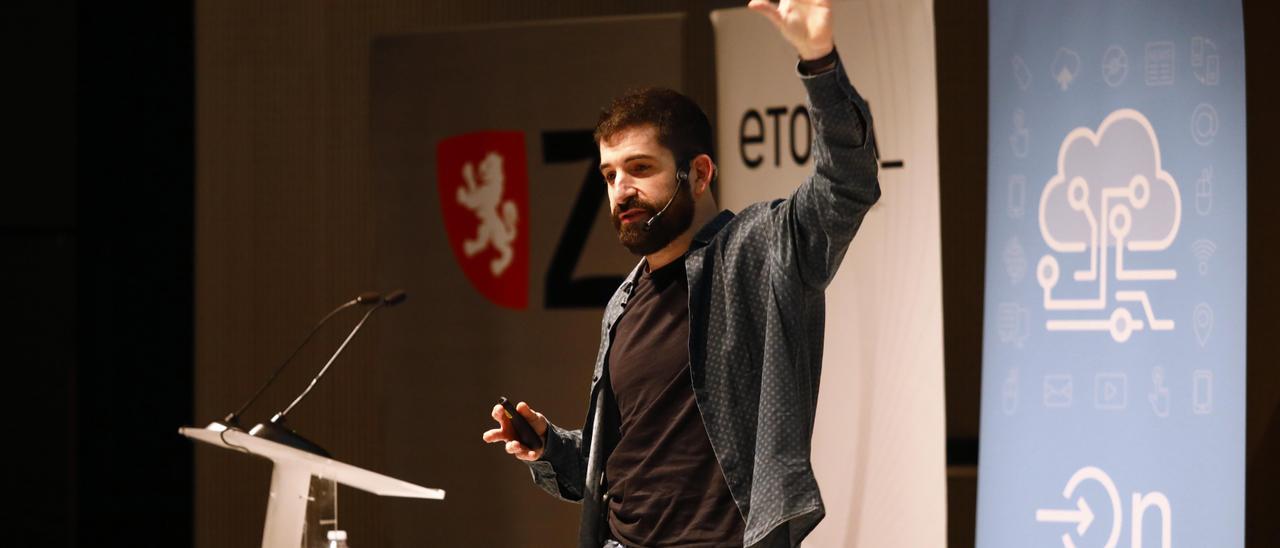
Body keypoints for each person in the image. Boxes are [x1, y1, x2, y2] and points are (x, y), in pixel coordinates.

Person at [483, 1, 880, 546]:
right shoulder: (623, 304)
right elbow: (616, 468)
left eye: (640, 169)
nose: (621, 190)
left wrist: (818, 61)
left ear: (699, 172)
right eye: (609, 174)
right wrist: (550, 447)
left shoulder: (760, 250)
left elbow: (848, 184)